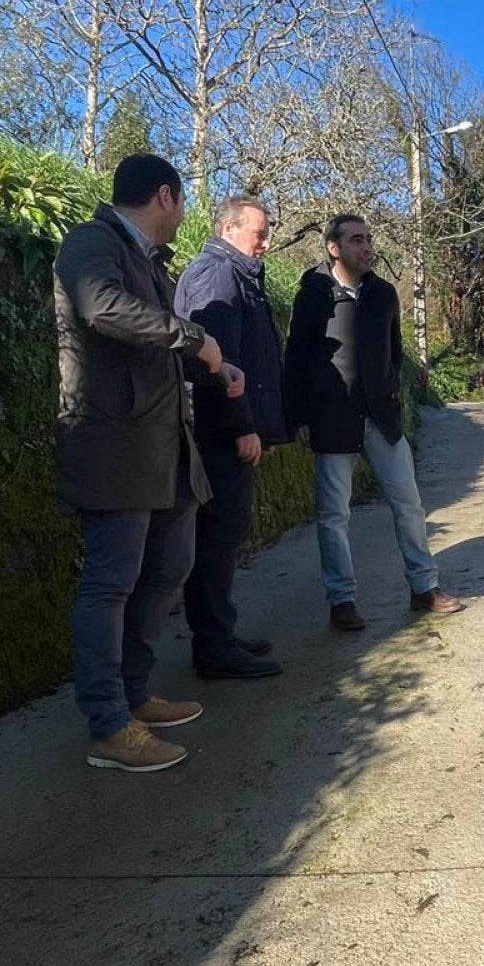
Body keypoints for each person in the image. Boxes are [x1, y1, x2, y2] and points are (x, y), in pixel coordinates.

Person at [53, 154, 244, 773]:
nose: (183, 214)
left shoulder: (149, 261)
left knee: (168, 568)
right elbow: (102, 308)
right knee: (110, 583)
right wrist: (195, 338)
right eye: (182, 201)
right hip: (115, 445)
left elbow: (156, 344)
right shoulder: (92, 241)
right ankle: (110, 726)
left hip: (164, 448)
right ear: (166, 195)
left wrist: (215, 366)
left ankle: (135, 695)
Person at [282, 213, 465, 630]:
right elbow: (295, 360)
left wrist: (390, 394)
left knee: (409, 506)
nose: (366, 247)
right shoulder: (313, 294)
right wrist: (300, 416)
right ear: (334, 248)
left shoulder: (383, 294)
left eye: (368, 239)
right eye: (356, 240)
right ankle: (342, 601)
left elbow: (394, 352)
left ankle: (424, 588)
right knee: (334, 515)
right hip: (332, 419)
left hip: (382, 419)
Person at [175, 195, 287, 681]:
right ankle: (215, 647)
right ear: (228, 228)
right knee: (217, 537)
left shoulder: (233, 274)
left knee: (222, 536)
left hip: (223, 430)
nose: (266, 243)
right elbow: (217, 362)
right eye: (259, 233)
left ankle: (219, 635)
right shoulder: (218, 275)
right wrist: (242, 426)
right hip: (218, 434)